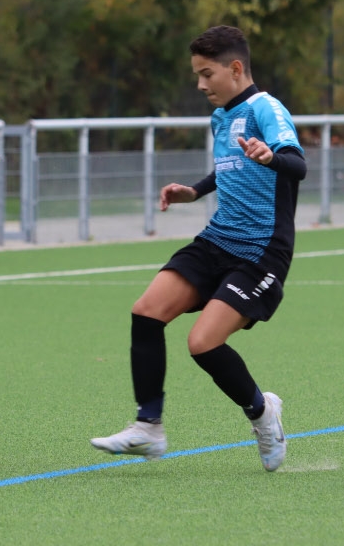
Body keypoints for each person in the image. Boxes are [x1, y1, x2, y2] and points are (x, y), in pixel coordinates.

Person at [89, 25, 306, 472]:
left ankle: (263, 413)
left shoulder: (266, 108)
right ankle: (148, 426)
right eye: (197, 75)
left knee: (203, 343)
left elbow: (297, 164)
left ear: (236, 68)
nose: (201, 84)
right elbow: (228, 167)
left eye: (207, 74)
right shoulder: (221, 116)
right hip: (217, 239)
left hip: (261, 250)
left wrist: (271, 157)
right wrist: (195, 191)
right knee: (146, 311)